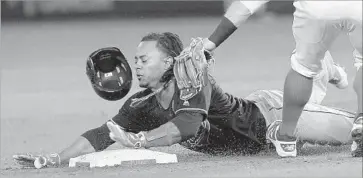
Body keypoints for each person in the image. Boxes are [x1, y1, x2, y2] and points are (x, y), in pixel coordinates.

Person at [13, 32, 356, 169]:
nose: (136, 65)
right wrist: (54, 158)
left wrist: (139, 140)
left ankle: (322, 70)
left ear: (168, 62)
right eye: (135, 60)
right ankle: (324, 73)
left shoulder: (193, 77)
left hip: (272, 119)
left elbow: (187, 125)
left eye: (144, 60)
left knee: (356, 134)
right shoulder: (140, 105)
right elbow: (101, 135)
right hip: (260, 139)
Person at [201, 1, 362, 157]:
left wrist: (211, 43)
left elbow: (246, 4)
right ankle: (359, 117)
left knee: (303, 69)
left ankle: (286, 136)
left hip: (316, 8)